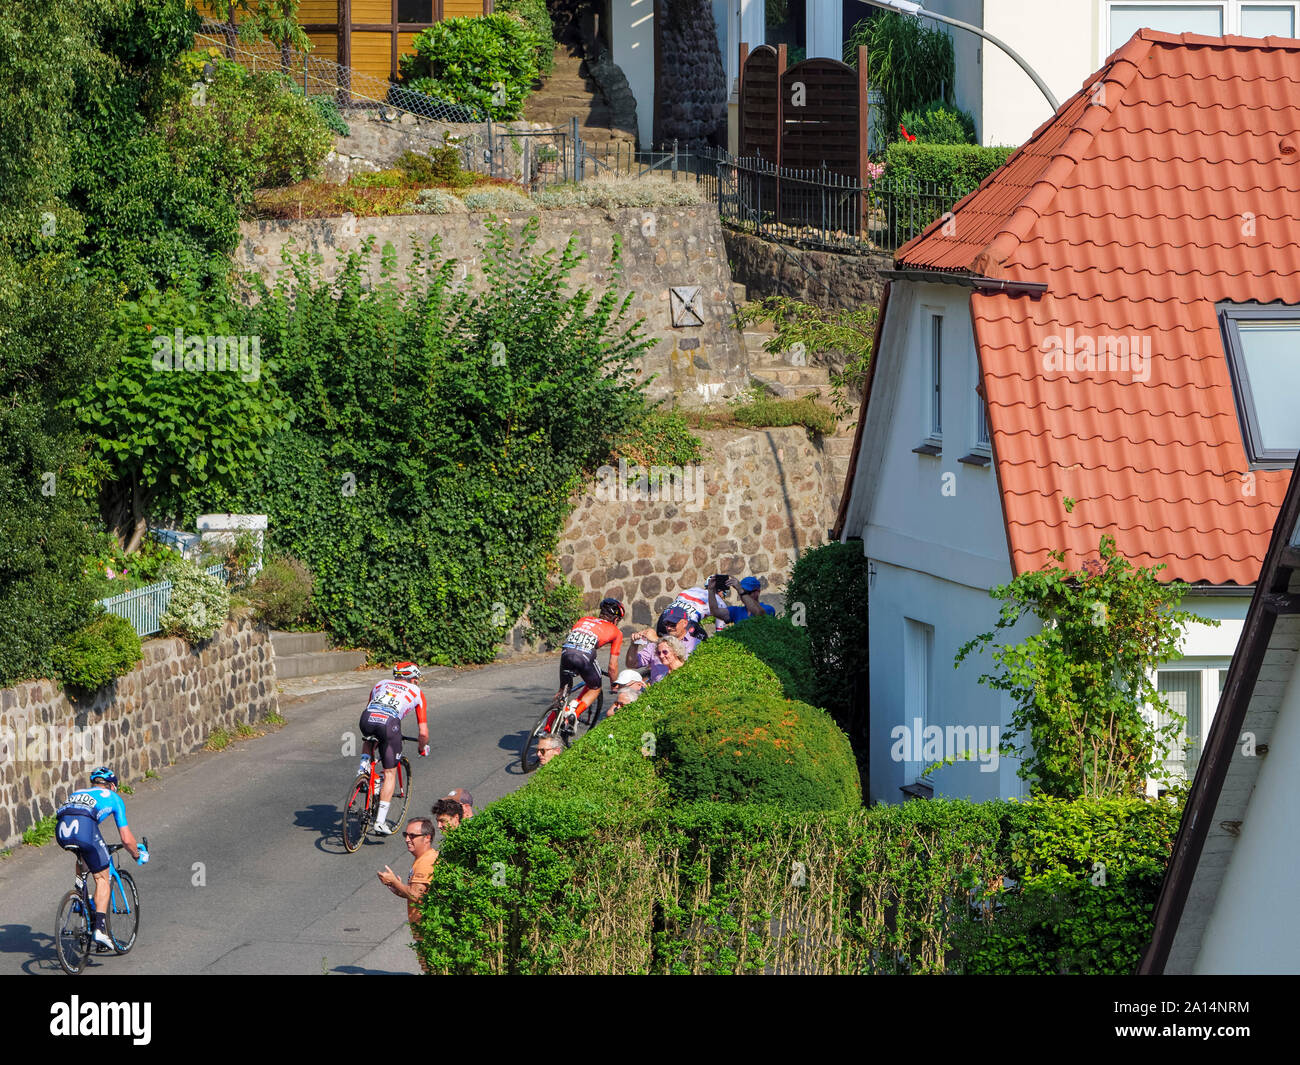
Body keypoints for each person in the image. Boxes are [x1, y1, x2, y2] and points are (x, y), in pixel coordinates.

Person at [55, 767, 148, 951]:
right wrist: (137, 854)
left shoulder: (79, 792)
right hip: (84, 829)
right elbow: (126, 839)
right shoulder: (114, 798)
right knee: (102, 878)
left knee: (83, 855)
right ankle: (100, 929)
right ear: (112, 785)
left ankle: (80, 895)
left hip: (61, 831)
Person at [359, 661, 430, 836]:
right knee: (389, 772)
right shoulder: (417, 692)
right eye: (416, 679)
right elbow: (423, 732)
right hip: (389, 724)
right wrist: (422, 747)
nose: (417, 682)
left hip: (366, 719)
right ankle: (380, 822)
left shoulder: (380, 684)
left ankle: (363, 769)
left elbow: (371, 707)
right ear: (411, 679)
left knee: (370, 739)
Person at [376, 817, 437, 974]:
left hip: (427, 928)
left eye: (412, 836)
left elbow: (417, 896)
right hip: (421, 927)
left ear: (427, 838)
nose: (407, 839)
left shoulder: (426, 862)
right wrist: (396, 887)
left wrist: (396, 884)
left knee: (431, 969)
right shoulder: (421, 859)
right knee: (427, 968)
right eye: (405, 835)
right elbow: (418, 895)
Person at [556, 597, 625, 730]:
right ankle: (573, 714)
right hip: (584, 657)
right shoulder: (616, 632)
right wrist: (614, 685)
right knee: (595, 687)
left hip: (566, 654)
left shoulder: (583, 619)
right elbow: (612, 666)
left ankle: (547, 728)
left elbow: (574, 643)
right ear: (616, 619)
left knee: (562, 692)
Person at [626, 606, 699, 683]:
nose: (669, 628)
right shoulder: (654, 645)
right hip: (657, 690)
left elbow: (687, 668)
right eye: (666, 623)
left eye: (673, 624)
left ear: (685, 623)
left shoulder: (695, 643)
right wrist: (634, 645)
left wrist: (658, 640)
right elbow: (631, 664)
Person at [708, 574, 776, 626]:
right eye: (740, 593)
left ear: (757, 592)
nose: (743, 596)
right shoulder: (736, 611)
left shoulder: (768, 609)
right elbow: (715, 611)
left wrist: (740, 590)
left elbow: (759, 614)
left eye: (747, 592)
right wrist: (711, 590)